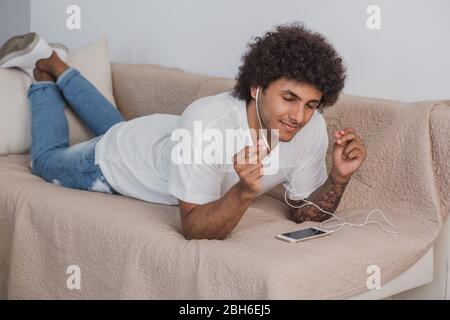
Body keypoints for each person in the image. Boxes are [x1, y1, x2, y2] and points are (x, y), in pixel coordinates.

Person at [0, 23, 367, 240]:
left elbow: (303, 215)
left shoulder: (311, 127)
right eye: (289, 98)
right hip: (117, 159)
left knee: (120, 128)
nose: (299, 116)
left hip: (159, 135)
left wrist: (338, 178)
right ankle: (43, 73)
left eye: (310, 104)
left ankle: (57, 62)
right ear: (257, 86)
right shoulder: (208, 121)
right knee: (46, 161)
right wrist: (242, 192)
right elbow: (193, 228)